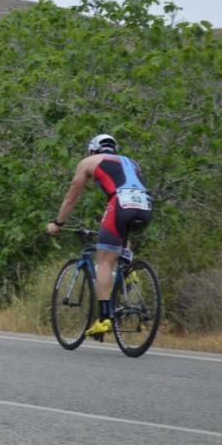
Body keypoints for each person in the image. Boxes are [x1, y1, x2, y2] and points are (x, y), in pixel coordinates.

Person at [46, 134, 153, 337]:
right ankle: (130, 274)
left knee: (103, 260)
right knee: (121, 239)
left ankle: (104, 318)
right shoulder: (131, 162)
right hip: (146, 205)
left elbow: (71, 198)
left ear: (93, 149)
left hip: (120, 202)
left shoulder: (88, 161)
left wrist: (58, 223)